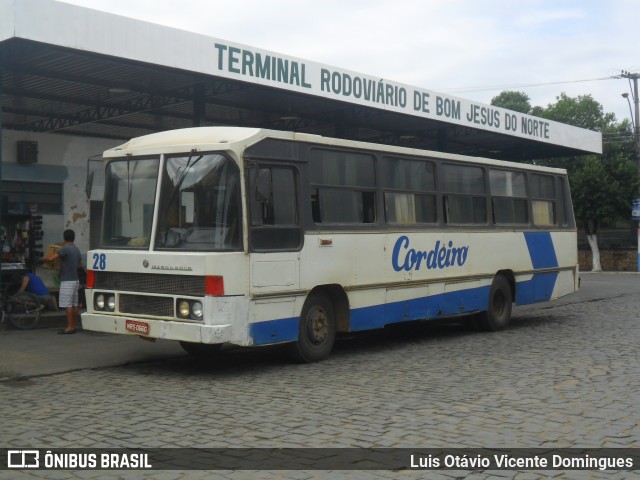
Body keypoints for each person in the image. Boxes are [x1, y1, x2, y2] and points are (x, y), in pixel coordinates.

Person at [40, 229, 83, 334]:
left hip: (67, 280)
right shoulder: (77, 250)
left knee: (67, 304)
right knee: (74, 304)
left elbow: (51, 258)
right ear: (73, 238)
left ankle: (69, 327)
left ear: (65, 238)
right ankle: (74, 326)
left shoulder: (65, 249)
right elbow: (80, 265)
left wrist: (42, 260)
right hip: (75, 280)